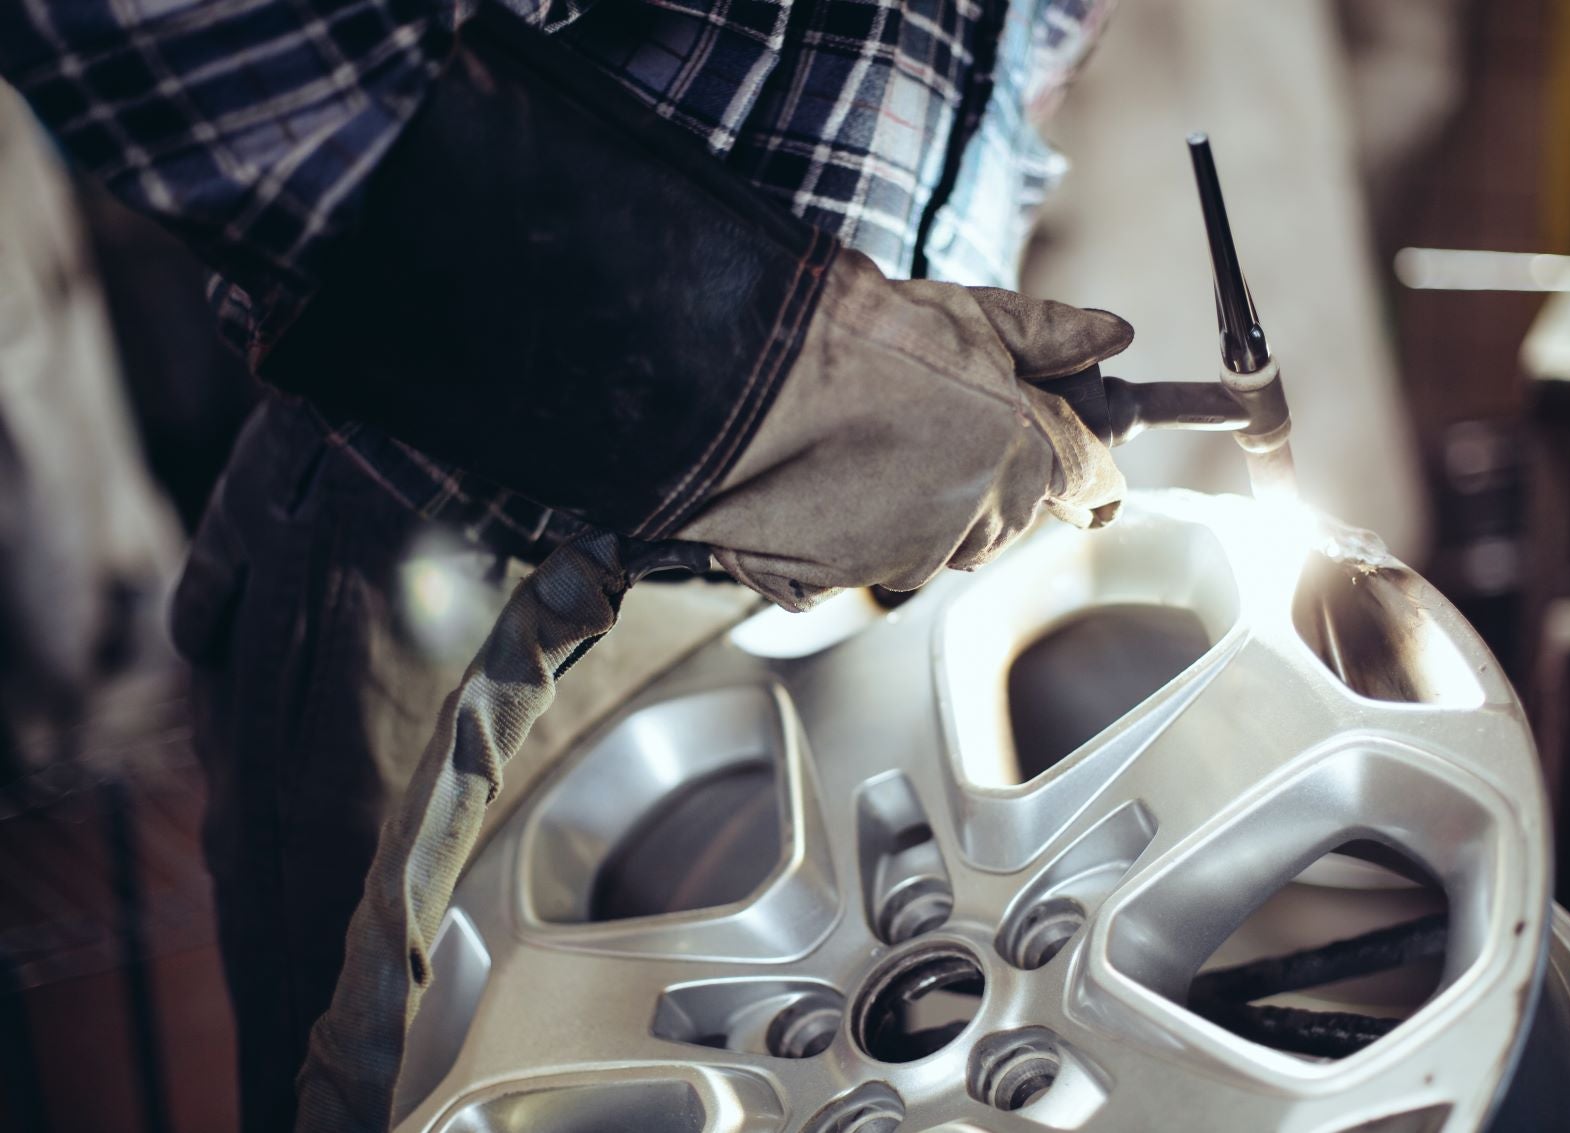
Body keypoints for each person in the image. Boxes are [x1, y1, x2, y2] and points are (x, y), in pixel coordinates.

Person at [1, 0, 1136, 1127]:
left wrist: (915, 387)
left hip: (808, 589)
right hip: (450, 573)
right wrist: (774, 374)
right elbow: (208, 47)